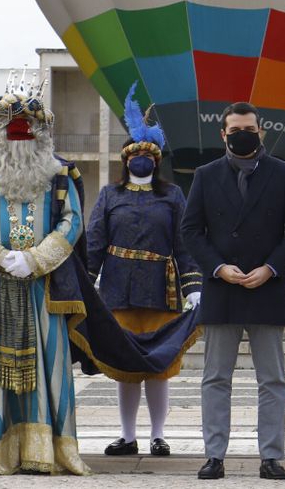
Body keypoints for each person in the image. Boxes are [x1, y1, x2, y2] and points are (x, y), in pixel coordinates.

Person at [0, 81, 89, 475]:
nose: (20, 133)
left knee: (50, 368)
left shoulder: (61, 172)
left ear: (42, 132)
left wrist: (36, 259)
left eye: (28, 126)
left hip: (45, 287)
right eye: (11, 127)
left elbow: (73, 220)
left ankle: (46, 450)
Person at [181, 102, 285, 481]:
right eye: (235, 129)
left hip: (266, 287)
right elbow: (190, 231)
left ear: (260, 132)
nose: (242, 134)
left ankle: (271, 456)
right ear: (223, 134)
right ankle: (214, 455)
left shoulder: (283, 173)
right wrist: (219, 267)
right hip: (222, 287)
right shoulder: (205, 175)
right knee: (215, 377)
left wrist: (271, 268)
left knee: (271, 379)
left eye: (249, 129)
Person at [87, 85, 203, 459]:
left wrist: (193, 286)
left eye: (148, 155)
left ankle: (157, 435)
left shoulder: (172, 196)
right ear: (126, 159)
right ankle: (127, 435)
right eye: (135, 154)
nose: (141, 160)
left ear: (156, 160)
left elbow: (183, 244)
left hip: (160, 289)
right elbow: (94, 241)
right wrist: (86, 282)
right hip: (118, 289)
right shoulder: (109, 195)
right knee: (125, 367)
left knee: (158, 365)